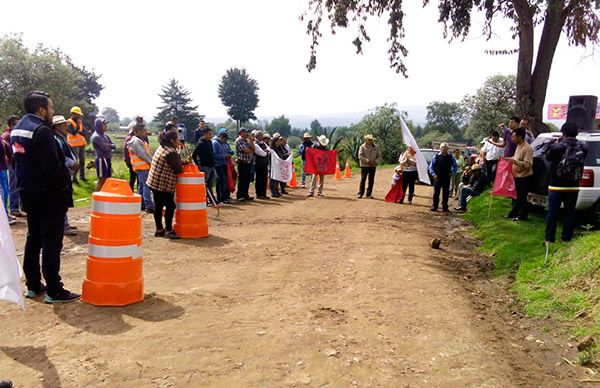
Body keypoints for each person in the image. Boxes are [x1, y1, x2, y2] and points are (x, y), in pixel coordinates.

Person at [10, 91, 80, 303]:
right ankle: (54, 290)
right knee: (51, 242)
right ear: (41, 109)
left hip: (27, 191)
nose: (52, 112)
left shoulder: (18, 129)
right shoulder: (42, 131)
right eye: (50, 108)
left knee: (34, 237)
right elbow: (53, 167)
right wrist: (64, 182)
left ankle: (33, 285)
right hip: (48, 194)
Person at [544, 121, 588, 243]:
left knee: (552, 212)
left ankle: (549, 239)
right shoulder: (583, 147)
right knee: (570, 212)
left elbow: (547, 157)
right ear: (577, 133)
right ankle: (566, 238)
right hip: (574, 186)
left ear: (562, 132)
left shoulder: (558, 146)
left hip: (556, 185)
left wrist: (555, 143)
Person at [147, 131, 185, 239]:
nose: (179, 141)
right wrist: (183, 163)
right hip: (163, 184)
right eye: (177, 139)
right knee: (170, 206)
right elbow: (178, 169)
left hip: (154, 182)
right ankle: (169, 229)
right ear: (172, 141)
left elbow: (173, 162)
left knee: (158, 206)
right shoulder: (171, 152)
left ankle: (159, 229)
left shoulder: (162, 148)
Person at [52, 115, 79, 236]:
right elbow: (61, 155)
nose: (66, 127)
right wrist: (72, 164)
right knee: (62, 200)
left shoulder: (61, 138)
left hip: (68, 170)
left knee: (64, 199)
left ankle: (65, 223)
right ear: (57, 126)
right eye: (63, 125)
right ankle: (63, 225)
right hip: (64, 170)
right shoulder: (56, 139)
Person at [505, 127, 533, 221]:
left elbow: (528, 164)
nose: (512, 139)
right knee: (515, 196)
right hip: (516, 175)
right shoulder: (518, 146)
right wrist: (509, 159)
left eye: (513, 137)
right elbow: (516, 158)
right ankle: (514, 213)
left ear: (519, 137)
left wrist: (515, 162)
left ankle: (522, 215)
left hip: (524, 177)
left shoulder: (527, 148)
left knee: (522, 197)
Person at [128, 123, 154, 212]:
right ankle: (149, 205)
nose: (145, 132)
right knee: (146, 186)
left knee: (142, 186)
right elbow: (144, 155)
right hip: (143, 167)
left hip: (141, 167)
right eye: (144, 131)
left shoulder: (138, 141)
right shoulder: (136, 142)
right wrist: (153, 162)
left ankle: (142, 204)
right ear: (138, 132)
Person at [2, 115, 22, 218]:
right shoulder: (7, 135)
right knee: (13, 185)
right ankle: (13, 208)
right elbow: (8, 151)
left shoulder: (15, 134)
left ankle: (18, 208)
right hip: (10, 163)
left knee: (18, 184)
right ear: (10, 125)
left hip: (16, 162)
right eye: (16, 124)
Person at [428, 142, 457, 212]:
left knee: (446, 193)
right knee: (436, 193)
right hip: (437, 177)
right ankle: (435, 206)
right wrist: (433, 174)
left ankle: (445, 207)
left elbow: (455, 166)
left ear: (447, 149)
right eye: (442, 147)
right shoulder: (436, 157)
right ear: (440, 148)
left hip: (446, 177)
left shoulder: (451, 157)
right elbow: (431, 167)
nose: (444, 148)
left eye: (445, 147)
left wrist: (452, 173)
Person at [192, 126, 217, 205]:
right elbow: (194, 155)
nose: (211, 135)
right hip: (204, 166)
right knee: (204, 185)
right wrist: (198, 165)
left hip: (211, 166)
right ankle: (203, 200)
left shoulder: (209, 142)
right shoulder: (200, 143)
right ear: (205, 134)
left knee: (210, 184)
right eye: (210, 134)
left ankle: (211, 199)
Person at [91, 116, 116, 192]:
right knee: (102, 179)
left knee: (108, 179)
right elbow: (105, 148)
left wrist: (109, 145)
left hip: (107, 158)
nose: (106, 126)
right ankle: (97, 197)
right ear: (98, 125)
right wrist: (109, 146)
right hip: (101, 159)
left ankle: (104, 196)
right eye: (104, 124)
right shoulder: (96, 136)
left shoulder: (105, 136)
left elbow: (114, 146)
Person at [66, 106, 87, 183]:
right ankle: (74, 178)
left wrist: (80, 131)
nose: (78, 116)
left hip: (82, 144)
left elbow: (85, 132)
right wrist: (78, 127)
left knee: (82, 161)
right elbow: (73, 132)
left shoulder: (80, 122)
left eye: (79, 114)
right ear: (72, 114)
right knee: (75, 161)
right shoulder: (68, 122)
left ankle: (82, 176)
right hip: (73, 145)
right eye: (77, 114)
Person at [212, 128, 233, 204]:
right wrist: (224, 156)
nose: (226, 141)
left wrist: (229, 153)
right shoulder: (215, 143)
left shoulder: (223, 144)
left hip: (224, 164)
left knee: (224, 181)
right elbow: (214, 155)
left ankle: (224, 197)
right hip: (218, 165)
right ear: (221, 137)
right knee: (220, 181)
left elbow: (228, 150)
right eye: (225, 139)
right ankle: (220, 198)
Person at [235, 127, 255, 201]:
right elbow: (246, 151)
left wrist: (251, 141)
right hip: (242, 163)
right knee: (242, 180)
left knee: (247, 180)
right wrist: (250, 150)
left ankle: (245, 194)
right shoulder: (238, 140)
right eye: (245, 132)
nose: (247, 133)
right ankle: (240, 195)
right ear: (241, 133)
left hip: (248, 163)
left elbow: (254, 149)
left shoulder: (247, 141)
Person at [357, 134, 380, 199]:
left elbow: (379, 156)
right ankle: (360, 193)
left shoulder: (376, 147)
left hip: (373, 166)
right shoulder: (362, 147)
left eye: (371, 140)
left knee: (371, 180)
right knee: (363, 179)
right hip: (364, 166)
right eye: (369, 140)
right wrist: (368, 161)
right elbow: (360, 156)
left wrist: (375, 162)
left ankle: (369, 194)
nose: (370, 141)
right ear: (366, 140)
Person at [253, 130, 271, 199]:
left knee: (264, 179)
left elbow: (269, 149)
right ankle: (259, 194)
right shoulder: (256, 144)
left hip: (264, 164)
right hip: (259, 164)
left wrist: (266, 151)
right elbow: (262, 153)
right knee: (259, 179)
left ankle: (264, 193)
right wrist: (266, 151)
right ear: (257, 136)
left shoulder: (263, 143)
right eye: (261, 135)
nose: (262, 137)